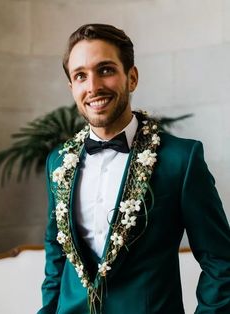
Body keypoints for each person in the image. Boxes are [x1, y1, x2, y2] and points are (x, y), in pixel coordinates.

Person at [38, 24, 230, 314]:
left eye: (105, 70)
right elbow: (56, 257)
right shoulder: (57, 162)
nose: (93, 87)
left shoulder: (181, 159)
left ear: (132, 77)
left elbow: (221, 261)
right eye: (81, 76)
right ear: (72, 87)